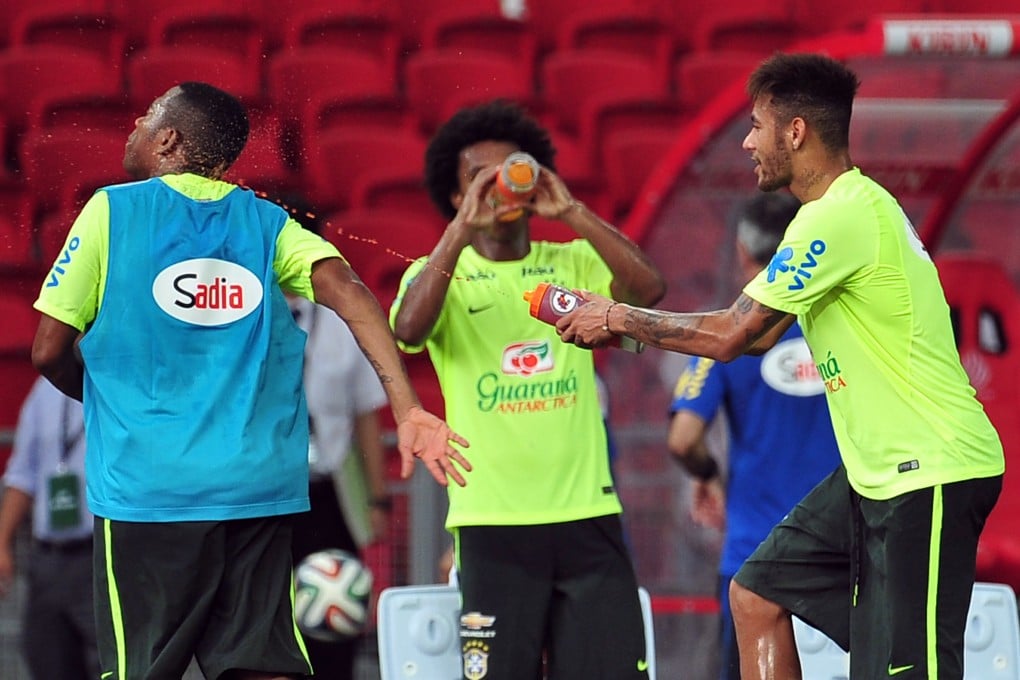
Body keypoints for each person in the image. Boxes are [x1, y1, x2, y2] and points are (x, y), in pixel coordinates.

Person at [556, 53, 1004, 680]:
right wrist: (624, 336)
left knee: (906, 672)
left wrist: (617, 317)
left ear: (795, 132)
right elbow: (759, 339)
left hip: (930, 470)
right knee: (757, 593)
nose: (746, 141)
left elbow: (733, 332)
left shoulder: (840, 215)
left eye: (756, 125)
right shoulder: (833, 214)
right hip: (876, 477)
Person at [30, 81, 470, 680]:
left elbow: (48, 349)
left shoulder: (113, 210)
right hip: (257, 488)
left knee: (142, 667)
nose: (135, 120)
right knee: (260, 667)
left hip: (149, 493)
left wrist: (104, 397)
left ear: (169, 140)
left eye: (149, 113)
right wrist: (408, 407)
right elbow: (352, 293)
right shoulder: (267, 223)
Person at [389, 99, 666, 680]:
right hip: (492, 526)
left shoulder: (573, 263)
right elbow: (408, 330)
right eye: (476, 178)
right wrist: (460, 230)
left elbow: (649, 289)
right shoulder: (437, 274)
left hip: (588, 515)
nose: (496, 188)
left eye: (508, 171)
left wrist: (573, 212)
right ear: (453, 193)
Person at [666, 192, 841, 680]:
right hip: (845, 548)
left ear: (743, 253)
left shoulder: (728, 335)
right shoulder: (842, 322)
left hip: (755, 554)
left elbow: (683, 438)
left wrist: (708, 474)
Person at [288, 291, 391, 678]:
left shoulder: (340, 319)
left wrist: (377, 499)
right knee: (273, 611)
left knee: (338, 610)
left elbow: (367, 415)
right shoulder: (249, 313)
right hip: (269, 493)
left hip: (330, 491)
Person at [0, 376, 99, 680]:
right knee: (46, 661)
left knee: (110, 666)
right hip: (48, 558)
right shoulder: (43, 390)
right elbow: (22, 475)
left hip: (101, 555)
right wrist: (2, 543)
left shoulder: (118, 381)